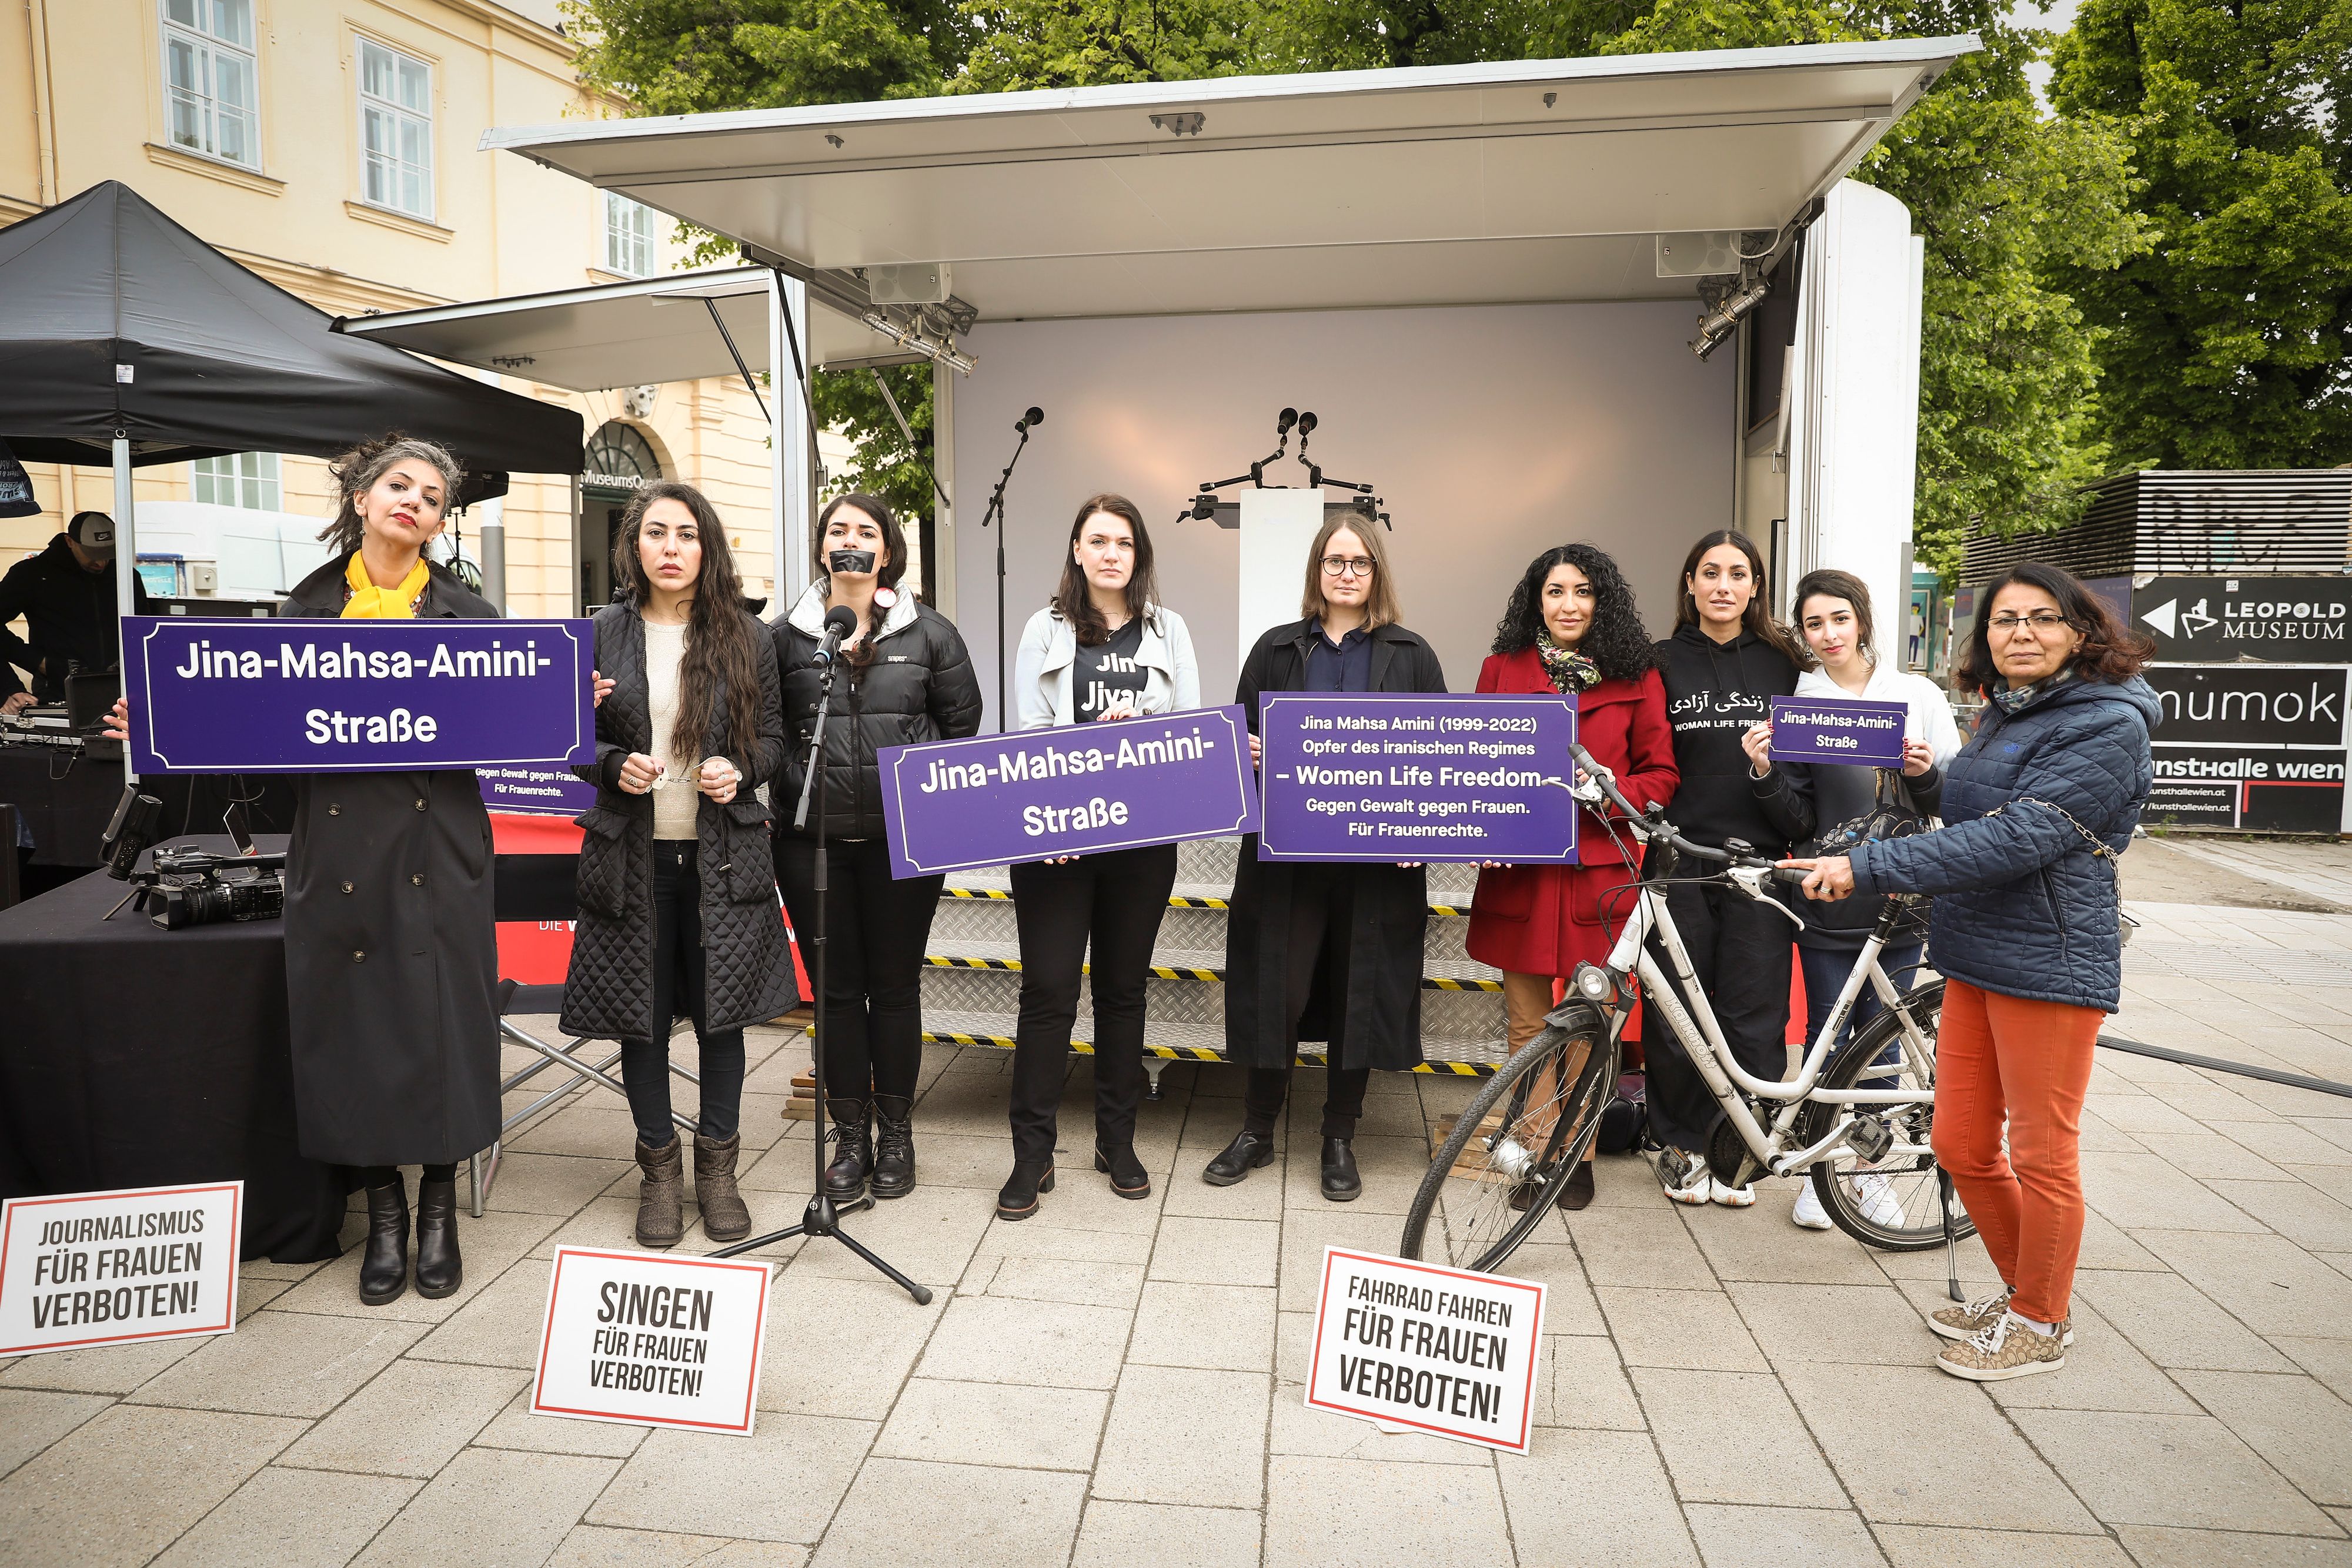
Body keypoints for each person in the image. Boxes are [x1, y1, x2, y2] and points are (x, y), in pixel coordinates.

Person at [106, 436, 500, 1306]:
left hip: (441, 850)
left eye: (432, 496)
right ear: (362, 496)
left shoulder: (473, 616)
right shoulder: (300, 609)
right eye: (399, 485)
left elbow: (515, 730)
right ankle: (385, 1214)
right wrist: (166, 720)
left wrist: (562, 706)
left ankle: (438, 1202)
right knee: (354, 1025)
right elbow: (257, 756)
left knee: (442, 1022)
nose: (414, 502)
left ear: (440, 521)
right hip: (340, 849)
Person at [1786, 562, 2156, 1381]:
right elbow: (1972, 805)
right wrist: (1925, 776)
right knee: (1957, 1140)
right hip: (1978, 946)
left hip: (2050, 955)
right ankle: (2026, 1289)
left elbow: (2022, 834)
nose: (2019, 631)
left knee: (2042, 1151)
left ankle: (2041, 1319)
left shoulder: (2109, 720)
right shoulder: (2008, 711)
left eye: (2041, 617)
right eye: (2004, 619)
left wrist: (1870, 860)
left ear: (2081, 631)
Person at [563, 480, 796, 1249]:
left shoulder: (745, 636)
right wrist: (604, 761)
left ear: (708, 546)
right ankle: (658, 1167)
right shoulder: (601, 633)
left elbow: (774, 740)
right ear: (634, 545)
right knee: (644, 1019)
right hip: (633, 858)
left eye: (686, 534)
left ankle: (718, 1166)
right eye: (656, 532)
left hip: (723, 857)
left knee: (722, 1019)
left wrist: (741, 769)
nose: (671, 546)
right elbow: (562, 742)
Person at [1204, 516, 1447, 1202]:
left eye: (1360, 562)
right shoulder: (1277, 649)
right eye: (1335, 561)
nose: (1347, 572)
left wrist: (1420, 835)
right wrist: (1245, 750)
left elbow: (1436, 757)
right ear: (1317, 571)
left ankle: (1339, 1134)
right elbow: (1233, 740)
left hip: (1375, 865)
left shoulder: (1411, 654)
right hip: (1286, 858)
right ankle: (1256, 1128)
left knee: (1358, 991)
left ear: (1377, 573)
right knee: (1273, 990)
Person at [772, 494, 982, 1204]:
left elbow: (961, 729)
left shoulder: (931, 635)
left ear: (887, 551)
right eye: (838, 530)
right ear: (822, 548)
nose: (852, 541)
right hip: (813, 845)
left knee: (892, 990)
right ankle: (850, 1135)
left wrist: (927, 804)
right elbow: (766, 733)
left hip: (904, 845)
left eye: (867, 531)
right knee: (834, 994)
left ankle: (896, 1134)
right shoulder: (788, 638)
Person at [996, 494, 1201, 1219]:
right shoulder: (1042, 629)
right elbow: (1028, 732)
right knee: (1048, 992)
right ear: (1077, 552)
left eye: (1124, 542)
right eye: (1097, 540)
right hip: (1057, 841)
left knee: (1122, 991)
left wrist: (1140, 725)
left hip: (1140, 842)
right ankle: (1033, 1154)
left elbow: (1191, 735)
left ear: (1139, 555)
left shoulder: (1168, 630)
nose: (1111, 552)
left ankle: (1117, 1141)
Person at [1466, 544, 1675, 1213]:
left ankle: (1574, 1153)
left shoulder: (1636, 675)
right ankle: (1531, 1154)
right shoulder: (1501, 669)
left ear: (1600, 601)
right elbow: (1475, 764)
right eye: (1554, 592)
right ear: (1536, 601)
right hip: (1523, 873)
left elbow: (1661, 775)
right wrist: (1477, 831)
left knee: (1588, 1024)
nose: (1567, 605)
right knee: (1528, 1027)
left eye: (1582, 592)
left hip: (1600, 874)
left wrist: (1612, 789)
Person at [1783, 568, 1961, 1232]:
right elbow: (1794, 813)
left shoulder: (1915, 694)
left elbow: (1957, 797)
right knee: (1827, 1032)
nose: (1828, 635)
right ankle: (1819, 1167)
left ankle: (1871, 1173)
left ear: (1861, 619)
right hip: (1826, 890)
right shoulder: (1801, 699)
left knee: (1883, 1038)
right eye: (1813, 624)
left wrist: (1925, 775)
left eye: (1838, 619)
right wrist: (1764, 769)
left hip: (1900, 888)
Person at [1646, 529, 1813, 1209]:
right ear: (1689, 583)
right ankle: (1681, 1145)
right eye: (1709, 572)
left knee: (1755, 1012)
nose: (1722, 585)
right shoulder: (1656, 662)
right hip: (1682, 860)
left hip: (1764, 867)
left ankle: (1737, 1150)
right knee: (1680, 1015)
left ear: (1754, 587)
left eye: (1737, 574)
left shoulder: (1787, 665)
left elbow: (1805, 774)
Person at [0, 510, 157, 714]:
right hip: (58, 693)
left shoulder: (126, 576)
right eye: (92, 554)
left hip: (123, 694)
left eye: (107, 554)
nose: (100, 563)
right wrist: (30, 668)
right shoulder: (32, 574)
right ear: (69, 542)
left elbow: (143, 631)